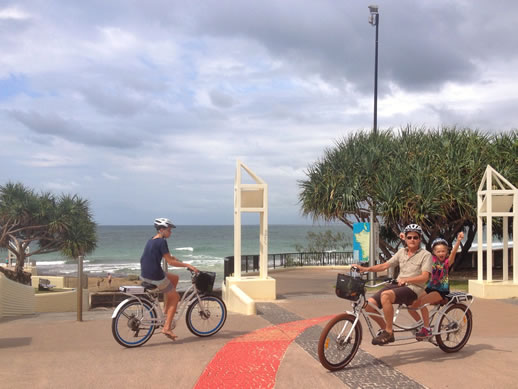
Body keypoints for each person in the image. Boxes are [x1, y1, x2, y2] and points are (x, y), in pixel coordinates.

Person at [354, 224, 432, 345]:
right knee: (367, 305)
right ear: (405, 238)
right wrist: (365, 269)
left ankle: (389, 332)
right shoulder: (401, 252)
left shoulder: (426, 255)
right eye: (409, 237)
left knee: (386, 295)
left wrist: (407, 279)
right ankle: (385, 329)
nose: (412, 240)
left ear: (420, 239)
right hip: (398, 284)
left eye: (415, 237)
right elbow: (385, 265)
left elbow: (425, 277)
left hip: (414, 288)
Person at [140, 217, 198, 341]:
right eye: (169, 230)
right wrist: (188, 265)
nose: (170, 232)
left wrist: (172, 258)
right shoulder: (162, 241)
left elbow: (164, 256)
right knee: (176, 297)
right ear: (161, 230)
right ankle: (166, 327)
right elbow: (170, 262)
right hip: (156, 276)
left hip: (146, 273)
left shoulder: (152, 240)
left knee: (174, 278)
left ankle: (167, 309)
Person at [411, 231, 465, 340]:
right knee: (411, 305)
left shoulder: (447, 262)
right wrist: (405, 239)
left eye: (443, 251)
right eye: (438, 251)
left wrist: (458, 240)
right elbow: (417, 251)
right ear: (434, 252)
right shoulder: (430, 260)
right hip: (429, 288)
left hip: (441, 291)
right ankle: (421, 326)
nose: (441, 253)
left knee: (422, 303)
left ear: (446, 252)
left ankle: (427, 329)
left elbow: (453, 253)